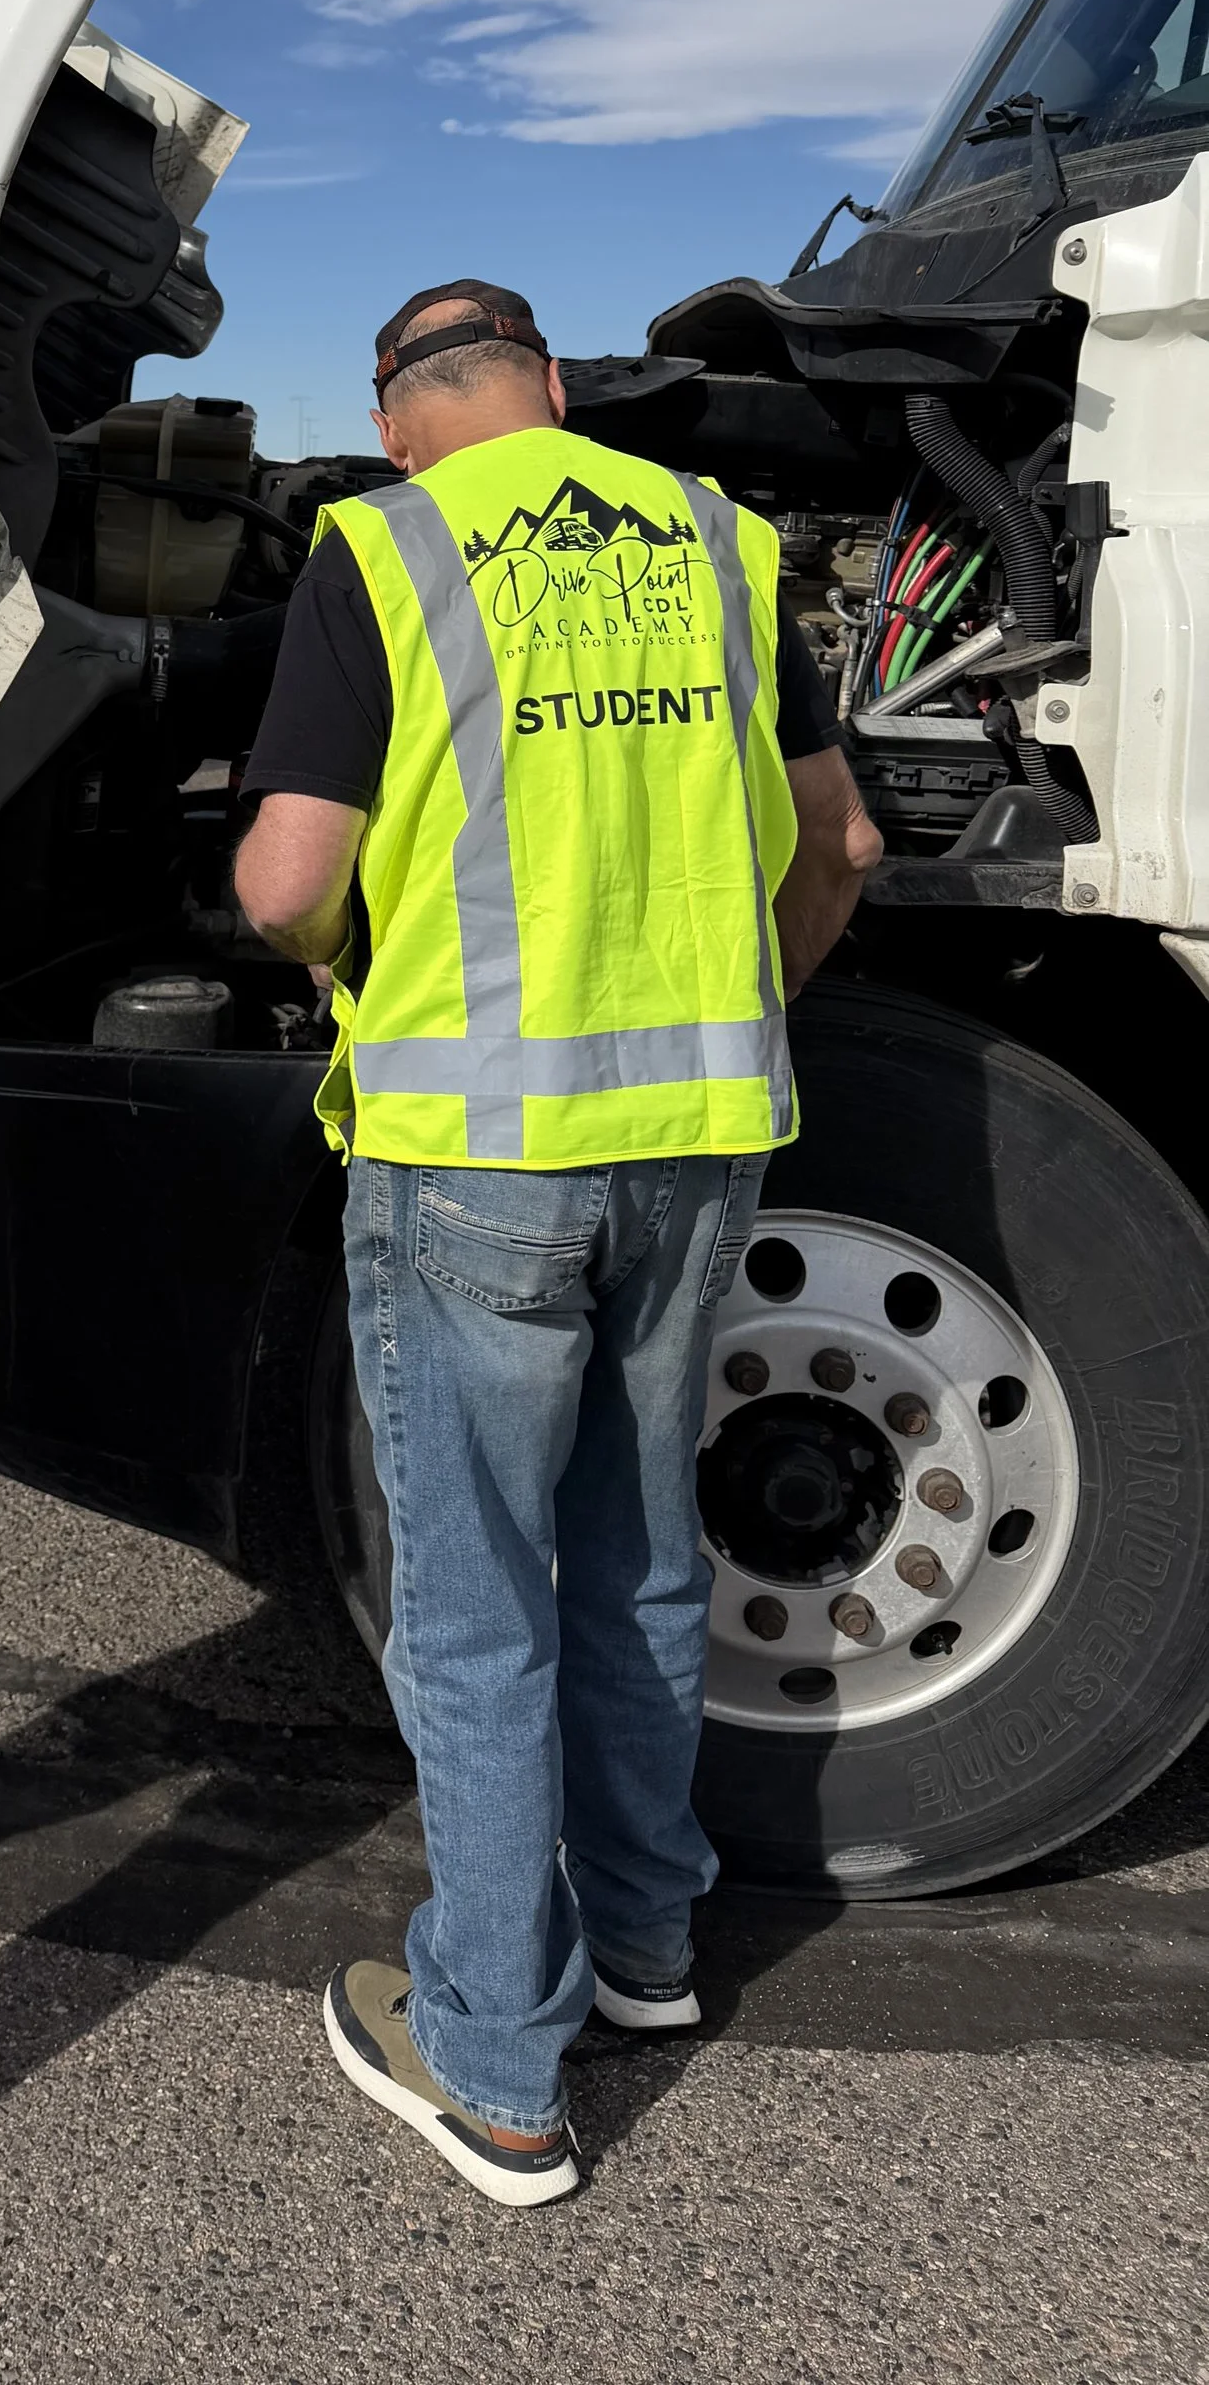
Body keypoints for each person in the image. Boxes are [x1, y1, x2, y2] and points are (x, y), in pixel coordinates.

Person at [233, 279, 879, 2209]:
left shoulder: (387, 550)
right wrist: (754, 1002)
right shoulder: (721, 543)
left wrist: (326, 962)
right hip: (698, 1140)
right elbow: (839, 850)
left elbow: (285, 878)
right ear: (559, 389)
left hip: (477, 1161)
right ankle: (657, 1947)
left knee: (479, 1599)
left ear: (401, 412)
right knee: (637, 1547)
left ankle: (498, 2063)